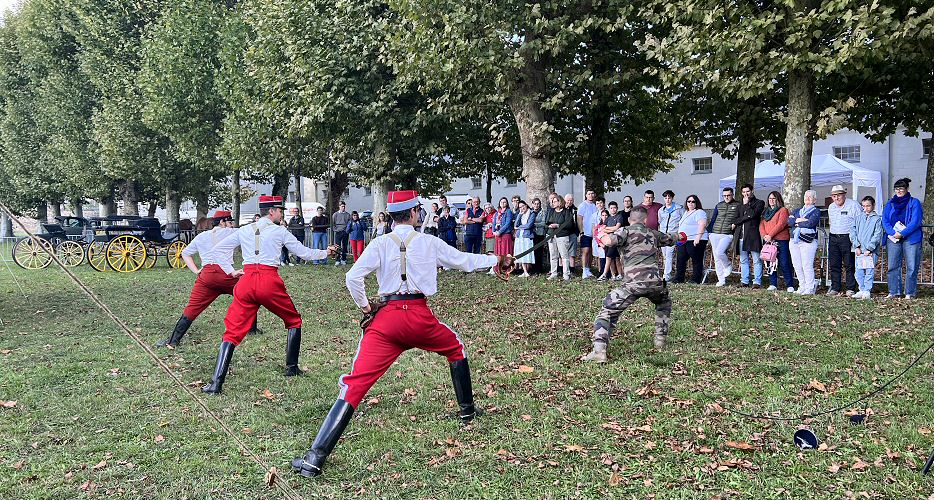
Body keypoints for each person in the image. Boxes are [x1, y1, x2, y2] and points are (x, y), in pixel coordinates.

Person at [290, 190, 514, 478]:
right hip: (420, 317)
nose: (419, 214)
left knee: (355, 384)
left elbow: (352, 277)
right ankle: (467, 410)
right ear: (411, 213)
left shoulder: (380, 242)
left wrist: (366, 306)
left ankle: (314, 459)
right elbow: (463, 260)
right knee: (456, 349)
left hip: (386, 321)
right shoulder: (428, 241)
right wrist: (496, 260)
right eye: (417, 210)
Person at [202, 196, 336, 394]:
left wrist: (231, 271)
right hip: (268, 280)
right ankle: (291, 368)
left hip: (245, 281)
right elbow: (304, 253)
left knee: (232, 331)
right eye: (280, 210)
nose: (282, 214)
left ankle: (215, 383)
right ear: (271, 211)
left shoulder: (244, 230)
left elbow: (216, 250)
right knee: (293, 320)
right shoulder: (279, 231)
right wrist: (326, 252)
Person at [583, 206, 684, 362]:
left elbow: (609, 241)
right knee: (664, 303)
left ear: (630, 220)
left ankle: (599, 351)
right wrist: (681, 236)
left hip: (633, 284)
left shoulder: (625, 231)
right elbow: (670, 238)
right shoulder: (652, 233)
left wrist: (600, 234)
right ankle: (660, 340)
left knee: (607, 311)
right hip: (655, 283)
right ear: (645, 220)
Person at [157, 210, 259, 348]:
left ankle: (173, 341)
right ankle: (252, 329)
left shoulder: (201, 236)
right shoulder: (232, 232)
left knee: (191, 309)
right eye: (230, 222)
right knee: (250, 296)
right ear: (222, 222)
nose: (232, 225)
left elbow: (186, 253)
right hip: (227, 274)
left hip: (206, 276)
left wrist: (196, 270)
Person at [882, 178, 924, 299]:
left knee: (911, 266)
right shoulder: (890, 203)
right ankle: (894, 291)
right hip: (893, 237)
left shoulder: (914, 202)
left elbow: (915, 221)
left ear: (906, 189)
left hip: (911, 238)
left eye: (901, 188)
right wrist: (892, 232)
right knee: (893, 266)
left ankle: (910, 292)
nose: (898, 191)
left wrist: (902, 233)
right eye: (896, 189)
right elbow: (885, 220)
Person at [826, 185, 860, 296]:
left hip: (848, 237)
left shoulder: (853, 205)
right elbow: (830, 222)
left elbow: (859, 222)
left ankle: (850, 288)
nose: (836, 198)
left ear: (844, 195)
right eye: (834, 196)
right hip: (834, 237)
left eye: (839, 195)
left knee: (849, 264)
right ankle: (835, 287)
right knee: (834, 264)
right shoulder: (831, 207)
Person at [759, 191, 795, 292]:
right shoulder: (765, 211)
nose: (771, 200)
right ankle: (773, 283)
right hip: (768, 241)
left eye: (774, 198)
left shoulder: (783, 210)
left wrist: (770, 235)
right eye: (770, 198)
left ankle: (789, 285)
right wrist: (765, 235)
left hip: (781, 240)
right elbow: (761, 225)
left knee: (784, 262)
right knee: (770, 262)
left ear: (778, 199)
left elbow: (781, 224)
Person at [850, 196, 883, 300]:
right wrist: (856, 245)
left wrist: (870, 248)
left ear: (873, 206)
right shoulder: (858, 218)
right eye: (863, 206)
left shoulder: (877, 219)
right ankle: (862, 289)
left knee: (869, 271)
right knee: (859, 271)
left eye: (868, 206)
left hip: (870, 251)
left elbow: (877, 234)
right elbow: (852, 231)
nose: (866, 208)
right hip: (859, 250)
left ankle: (867, 290)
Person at [731, 184, 765, 288]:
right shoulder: (739, 206)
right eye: (744, 192)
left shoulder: (759, 203)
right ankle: (744, 281)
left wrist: (747, 206)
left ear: (752, 191)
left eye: (748, 191)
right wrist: (747, 216)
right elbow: (735, 220)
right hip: (741, 236)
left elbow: (754, 215)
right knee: (744, 260)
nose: (746, 194)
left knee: (756, 260)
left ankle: (757, 282)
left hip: (753, 236)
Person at [788, 190, 821, 295]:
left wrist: (797, 222)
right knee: (797, 264)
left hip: (808, 241)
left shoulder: (816, 211)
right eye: (806, 196)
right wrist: (801, 220)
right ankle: (802, 286)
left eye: (810, 197)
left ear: (815, 200)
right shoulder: (797, 210)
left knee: (806, 264)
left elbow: (811, 223)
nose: (807, 198)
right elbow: (789, 221)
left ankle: (810, 287)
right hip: (794, 239)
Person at [707, 187, 740, 287]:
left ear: (732, 194)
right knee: (716, 258)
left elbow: (740, 217)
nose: (726, 197)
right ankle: (721, 280)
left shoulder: (738, 205)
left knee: (719, 252)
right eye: (724, 195)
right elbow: (713, 219)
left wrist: (735, 223)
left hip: (727, 234)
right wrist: (709, 232)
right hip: (715, 233)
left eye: (728, 195)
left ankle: (727, 265)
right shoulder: (719, 205)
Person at [674, 195, 707, 284]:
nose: (691, 203)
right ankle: (679, 278)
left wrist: (698, 238)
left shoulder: (699, 212)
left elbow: (702, 225)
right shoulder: (686, 212)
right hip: (683, 240)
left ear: (697, 203)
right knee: (681, 259)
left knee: (696, 260)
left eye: (693, 201)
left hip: (695, 239)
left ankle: (695, 279)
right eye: (689, 201)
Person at [545, 193, 574, 281]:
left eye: (555, 201)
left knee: (564, 256)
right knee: (553, 256)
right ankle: (553, 273)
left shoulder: (566, 212)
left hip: (562, 236)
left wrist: (557, 225)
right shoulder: (551, 211)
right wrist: (549, 226)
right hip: (551, 236)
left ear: (559, 202)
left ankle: (566, 274)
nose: (553, 203)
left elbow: (569, 224)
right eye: (552, 202)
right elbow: (546, 222)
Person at [658, 190, 684, 282]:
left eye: (669, 198)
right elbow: (660, 221)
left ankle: (666, 275)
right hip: (663, 235)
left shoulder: (679, 208)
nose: (667, 200)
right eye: (665, 198)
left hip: (673, 235)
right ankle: (668, 272)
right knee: (665, 255)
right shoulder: (661, 210)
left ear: (672, 198)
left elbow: (682, 220)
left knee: (669, 255)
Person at [599, 201, 624, 281]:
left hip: (616, 240)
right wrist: (611, 229)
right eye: (611, 208)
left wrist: (608, 229)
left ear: (617, 208)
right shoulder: (608, 218)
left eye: (614, 208)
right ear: (609, 209)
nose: (613, 209)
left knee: (609, 257)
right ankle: (616, 275)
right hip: (608, 240)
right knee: (614, 258)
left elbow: (617, 228)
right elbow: (603, 229)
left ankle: (604, 274)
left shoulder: (619, 217)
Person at [578, 190, 598, 279]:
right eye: (589, 194)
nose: (591, 195)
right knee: (585, 251)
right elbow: (579, 219)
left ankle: (588, 269)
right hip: (585, 232)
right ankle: (584, 270)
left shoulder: (595, 206)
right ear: (586, 195)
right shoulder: (583, 205)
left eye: (592, 194)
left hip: (593, 233)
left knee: (591, 252)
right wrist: (581, 231)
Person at [513, 199, 536, 277]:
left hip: (527, 236)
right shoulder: (520, 213)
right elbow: (515, 224)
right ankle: (525, 271)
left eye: (523, 206)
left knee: (527, 253)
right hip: (519, 236)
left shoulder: (532, 213)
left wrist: (519, 227)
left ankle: (527, 271)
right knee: (521, 253)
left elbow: (529, 225)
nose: (522, 208)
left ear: (526, 205)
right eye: (520, 207)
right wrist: (519, 215)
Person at [531, 197, 548, 274]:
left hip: (540, 234)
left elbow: (543, 223)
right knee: (533, 252)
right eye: (535, 204)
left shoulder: (543, 212)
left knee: (539, 252)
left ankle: (539, 269)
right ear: (532, 204)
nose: (537, 205)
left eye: (538, 204)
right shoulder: (530, 212)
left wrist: (533, 224)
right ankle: (533, 268)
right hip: (532, 235)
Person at [332, 201, 351, 266]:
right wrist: (336, 229)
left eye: (344, 206)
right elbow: (333, 223)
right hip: (338, 232)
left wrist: (347, 230)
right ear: (339, 206)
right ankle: (337, 260)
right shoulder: (335, 214)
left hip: (345, 232)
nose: (343, 207)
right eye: (342, 206)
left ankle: (343, 259)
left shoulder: (348, 214)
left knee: (345, 246)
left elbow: (349, 223)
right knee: (337, 246)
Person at [593, 208, 609, 278]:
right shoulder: (599, 226)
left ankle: (609, 273)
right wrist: (600, 244)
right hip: (601, 245)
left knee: (608, 259)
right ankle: (602, 272)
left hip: (608, 244)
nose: (604, 217)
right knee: (602, 259)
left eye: (606, 215)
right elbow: (596, 236)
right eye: (603, 215)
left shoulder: (609, 225)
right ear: (601, 217)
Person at [564, 193, 579, 270]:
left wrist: (577, 233)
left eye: (571, 200)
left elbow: (578, 221)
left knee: (572, 253)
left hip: (573, 233)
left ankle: (572, 270)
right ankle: (562, 269)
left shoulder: (575, 209)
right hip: (563, 234)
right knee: (562, 253)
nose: (569, 202)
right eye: (568, 200)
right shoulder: (562, 209)